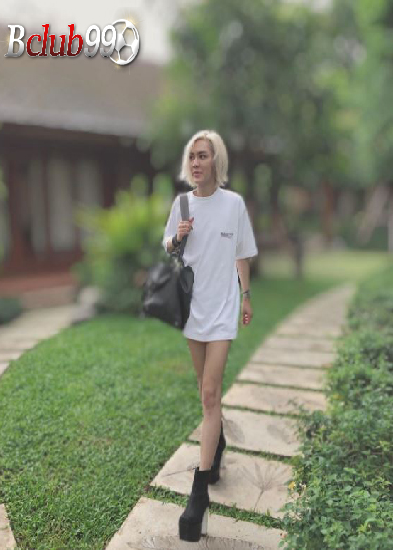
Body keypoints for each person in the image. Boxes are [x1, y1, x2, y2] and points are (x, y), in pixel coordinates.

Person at [162, 129, 258, 542]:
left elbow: (242, 253)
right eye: (192, 156)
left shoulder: (233, 204)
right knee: (204, 389)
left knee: (210, 392)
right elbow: (168, 247)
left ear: (216, 160)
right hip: (192, 309)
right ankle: (216, 446)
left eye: (203, 155)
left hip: (222, 310)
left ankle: (198, 494)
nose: (197, 162)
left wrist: (246, 295)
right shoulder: (182, 204)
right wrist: (178, 237)